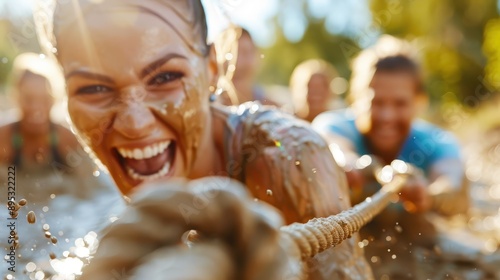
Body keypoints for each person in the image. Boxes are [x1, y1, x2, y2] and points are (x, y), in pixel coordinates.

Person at [35, 0, 372, 279]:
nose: (134, 124)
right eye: (94, 89)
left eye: (165, 77)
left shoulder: (289, 157)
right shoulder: (147, 170)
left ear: (211, 69)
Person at [312, 35, 469, 278]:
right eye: (377, 102)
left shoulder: (438, 142)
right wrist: (354, 166)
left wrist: (429, 194)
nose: (386, 116)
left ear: (419, 103)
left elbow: (451, 180)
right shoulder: (335, 125)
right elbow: (334, 147)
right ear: (357, 100)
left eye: (400, 104)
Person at [0, 52, 122, 277]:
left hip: (62, 216)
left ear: (53, 99)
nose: (37, 107)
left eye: (43, 98)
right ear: (17, 98)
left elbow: (98, 193)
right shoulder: (5, 138)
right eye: (29, 99)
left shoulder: (66, 139)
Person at [216, 26, 278, 106]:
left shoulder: (271, 108)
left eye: (245, 53)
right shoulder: (206, 110)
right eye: (230, 54)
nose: (238, 63)